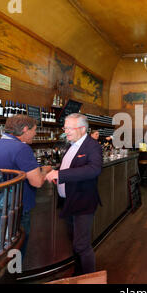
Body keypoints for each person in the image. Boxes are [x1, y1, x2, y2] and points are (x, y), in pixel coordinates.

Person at [0, 115, 50, 258]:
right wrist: (46, 169)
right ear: (25, 129)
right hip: (16, 210)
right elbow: (37, 182)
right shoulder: (22, 148)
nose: (35, 133)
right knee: (14, 252)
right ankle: (13, 277)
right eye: (34, 130)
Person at [45, 113, 102, 274]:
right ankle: (79, 274)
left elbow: (94, 169)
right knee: (75, 243)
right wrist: (57, 171)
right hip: (69, 201)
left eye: (70, 128)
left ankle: (90, 278)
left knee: (82, 245)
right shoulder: (72, 144)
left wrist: (60, 175)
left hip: (83, 201)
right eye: (65, 128)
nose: (66, 132)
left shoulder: (92, 146)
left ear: (83, 129)